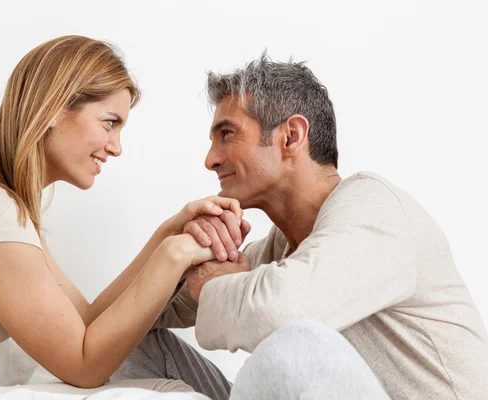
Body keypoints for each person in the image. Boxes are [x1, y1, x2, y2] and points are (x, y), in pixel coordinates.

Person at [0, 36, 286, 400]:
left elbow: (88, 321)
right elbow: (84, 365)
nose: (116, 148)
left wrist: (170, 231)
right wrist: (177, 254)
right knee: (171, 396)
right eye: (109, 123)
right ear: (52, 109)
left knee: (167, 390)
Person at [118, 55, 488, 400]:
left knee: (297, 349)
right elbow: (138, 312)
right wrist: (181, 245)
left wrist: (212, 284)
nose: (211, 159)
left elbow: (282, 313)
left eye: (227, 134)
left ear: (291, 136)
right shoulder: (276, 250)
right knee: (125, 341)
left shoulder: (376, 209)